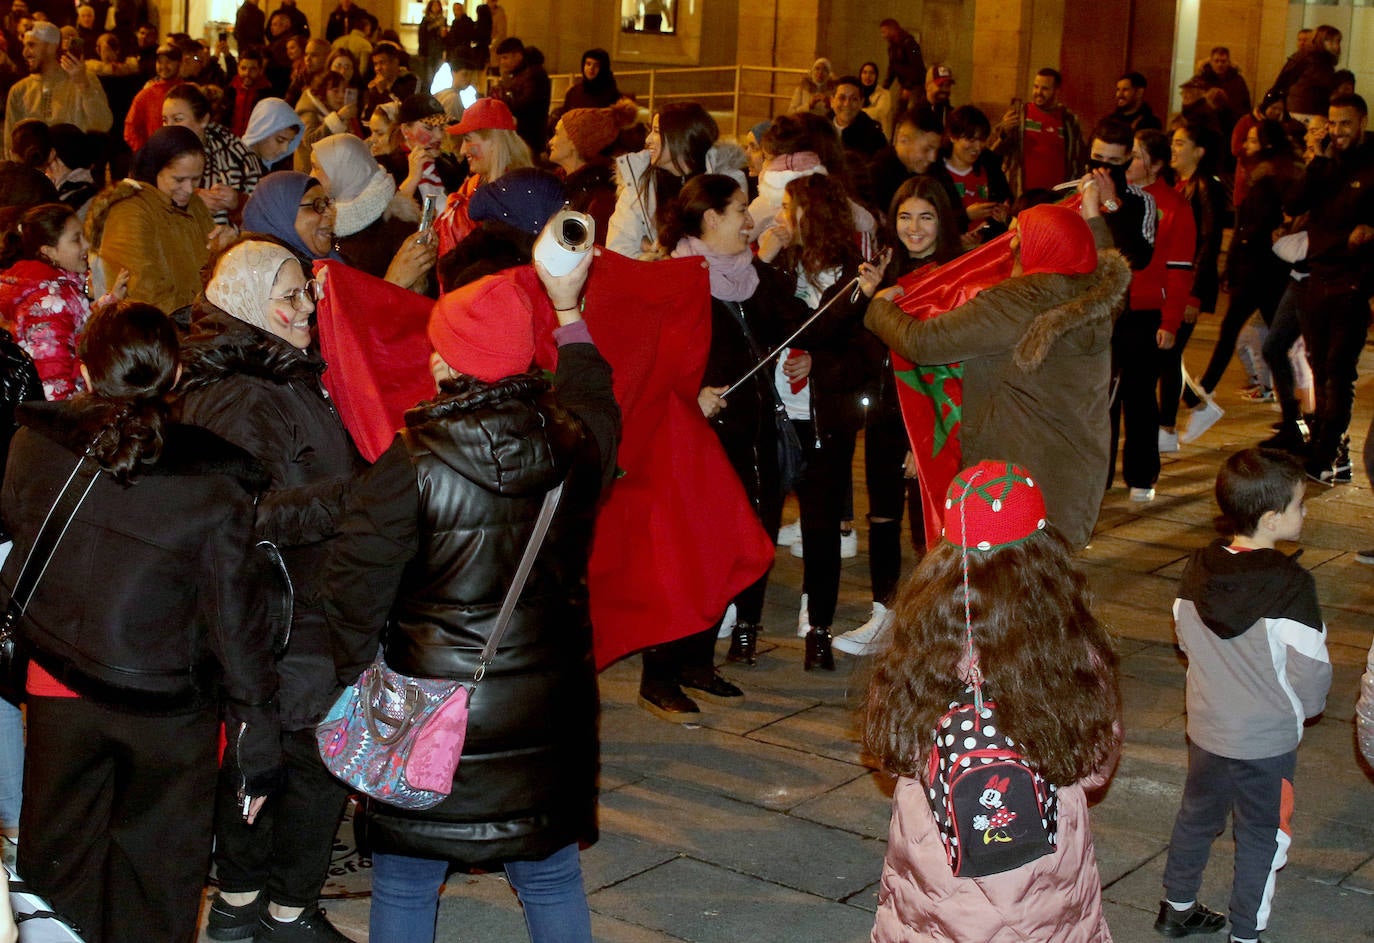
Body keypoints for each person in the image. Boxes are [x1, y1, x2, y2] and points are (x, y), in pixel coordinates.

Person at [320, 249, 619, 943]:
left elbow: (352, 592)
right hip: (546, 710)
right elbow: (596, 394)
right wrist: (570, 312)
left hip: (427, 714)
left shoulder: (411, 463)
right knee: (549, 878)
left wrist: (357, 678)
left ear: (453, 363)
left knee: (404, 880)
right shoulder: (577, 443)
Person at [2, 300, 280, 943]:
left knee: (57, 868)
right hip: (169, 706)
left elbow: (20, 534)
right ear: (176, 376)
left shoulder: (32, 442)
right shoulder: (216, 481)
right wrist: (256, 736)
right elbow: (236, 622)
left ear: (83, 368)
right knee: (158, 880)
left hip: (58, 685)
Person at [176, 239, 360, 943]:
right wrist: (358, 496)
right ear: (249, 303)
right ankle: (271, 912)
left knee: (286, 758)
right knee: (304, 760)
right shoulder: (248, 393)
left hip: (299, 604)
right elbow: (246, 517)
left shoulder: (273, 372)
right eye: (290, 294)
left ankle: (255, 907)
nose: (306, 306)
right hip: (282, 613)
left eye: (306, 290)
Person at [863, 459, 1121, 942]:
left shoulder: (920, 641)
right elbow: (1095, 766)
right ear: (1043, 551)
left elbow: (892, 744)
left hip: (937, 861)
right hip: (1045, 871)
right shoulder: (1069, 647)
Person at [865, 202, 1130, 550]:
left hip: (1014, 482)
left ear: (1042, 246)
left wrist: (880, 308)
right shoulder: (1095, 299)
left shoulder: (1019, 302)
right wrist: (1094, 212)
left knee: (1004, 586)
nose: (1012, 244)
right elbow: (1098, 253)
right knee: (1045, 584)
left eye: (1020, 236)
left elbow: (924, 343)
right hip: (1073, 474)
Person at [635, 174, 804, 712]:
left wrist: (862, 295)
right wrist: (690, 394)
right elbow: (642, 362)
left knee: (728, 551)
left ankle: (697, 661)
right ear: (709, 218)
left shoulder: (752, 276)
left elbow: (801, 326)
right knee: (684, 558)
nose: (749, 220)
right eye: (739, 211)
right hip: (689, 441)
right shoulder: (673, 278)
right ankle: (658, 675)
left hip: (747, 442)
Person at [1157, 447, 1329, 943]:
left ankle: (1178, 906)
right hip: (1266, 740)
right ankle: (1247, 933)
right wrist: (1303, 711)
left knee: (1197, 816)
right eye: (1300, 505)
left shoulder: (1197, 567)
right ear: (1273, 519)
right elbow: (1311, 671)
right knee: (1262, 834)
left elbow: (1185, 633)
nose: (1305, 513)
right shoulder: (1292, 585)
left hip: (1208, 727)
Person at [756, 172, 885, 669]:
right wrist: (762, 257)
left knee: (822, 523)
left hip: (826, 417)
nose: (782, 220)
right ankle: (744, 620)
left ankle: (818, 624)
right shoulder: (780, 267)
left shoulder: (858, 274)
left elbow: (865, 354)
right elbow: (765, 321)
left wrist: (820, 362)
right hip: (777, 412)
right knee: (763, 514)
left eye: (790, 209)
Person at [833, 176, 963, 657]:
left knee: (929, 523)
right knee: (882, 515)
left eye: (925, 217)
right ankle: (884, 615)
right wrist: (865, 296)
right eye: (905, 217)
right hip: (885, 411)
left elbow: (946, 364)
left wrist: (923, 434)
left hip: (927, 415)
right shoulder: (887, 271)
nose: (914, 228)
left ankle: (940, 623)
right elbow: (864, 345)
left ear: (943, 221)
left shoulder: (954, 276)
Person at [87, 124, 221, 312]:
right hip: (151, 331)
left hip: (196, 323)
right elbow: (146, 296)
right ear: (155, 168)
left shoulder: (194, 205)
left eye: (196, 179)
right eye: (179, 179)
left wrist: (226, 249)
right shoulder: (129, 211)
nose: (189, 189)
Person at [0, 202, 125, 400]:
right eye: (76, 239)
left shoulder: (56, 289)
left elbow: (73, 327)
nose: (86, 245)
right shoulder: (48, 303)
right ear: (48, 251)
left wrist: (107, 305)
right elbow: (52, 381)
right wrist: (72, 423)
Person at [607, 101, 746, 258]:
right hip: (654, 280)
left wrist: (660, 250)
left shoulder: (726, 183)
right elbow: (618, 249)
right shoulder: (638, 182)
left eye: (656, 131)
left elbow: (728, 247)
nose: (648, 140)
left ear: (681, 138)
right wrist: (653, 259)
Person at [1165, 122, 1229, 445]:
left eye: (1180, 143)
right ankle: (1194, 406)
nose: (1173, 149)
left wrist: (1193, 294)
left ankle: (1172, 424)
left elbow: (1208, 241)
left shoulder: (1206, 187)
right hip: (1176, 282)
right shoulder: (1181, 185)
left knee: (1167, 350)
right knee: (1167, 351)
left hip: (1190, 284)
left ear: (1199, 151)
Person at [431, 97, 532, 260]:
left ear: (493, 141)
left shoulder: (521, 195)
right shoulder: (475, 183)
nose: (463, 150)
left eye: (468, 140)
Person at [4, 22, 113, 160]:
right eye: (24, 45)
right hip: (33, 178)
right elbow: (10, 146)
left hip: (74, 175)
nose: (24, 53)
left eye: (31, 45)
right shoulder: (19, 91)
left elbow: (103, 124)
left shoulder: (83, 78)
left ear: (51, 47)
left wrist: (83, 85)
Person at [161, 81, 262, 223]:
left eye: (177, 119)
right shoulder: (155, 155)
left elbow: (262, 210)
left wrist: (237, 202)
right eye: (165, 120)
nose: (168, 127)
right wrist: (192, 200)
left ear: (203, 120)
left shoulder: (236, 152)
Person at [989, 67, 1085, 198]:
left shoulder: (1069, 120)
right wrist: (1004, 132)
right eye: (1036, 87)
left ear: (1056, 91)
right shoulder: (1020, 114)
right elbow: (992, 152)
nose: (1038, 92)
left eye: (1045, 89)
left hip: (1056, 196)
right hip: (1021, 195)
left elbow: (1077, 159)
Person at [548, 102, 635, 244]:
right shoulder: (557, 182)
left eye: (557, 134)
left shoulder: (599, 197)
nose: (551, 141)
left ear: (574, 142)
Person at [489, 37, 550, 155]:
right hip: (521, 134)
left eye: (505, 58)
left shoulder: (533, 74)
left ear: (518, 55)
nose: (502, 62)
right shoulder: (520, 74)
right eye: (501, 58)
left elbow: (526, 104)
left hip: (528, 136)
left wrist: (501, 98)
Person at [1272, 24, 1341, 123]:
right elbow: (1326, 85)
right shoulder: (1319, 61)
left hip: (1296, 107)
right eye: (1329, 40)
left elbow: (1282, 79)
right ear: (1320, 40)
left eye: (1337, 41)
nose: (1335, 45)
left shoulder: (1303, 56)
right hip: (1307, 110)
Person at [879, 18, 925, 121]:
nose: (883, 36)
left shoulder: (910, 44)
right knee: (896, 113)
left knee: (911, 114)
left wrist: (908, 87)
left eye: (884, 32)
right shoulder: (892, 47)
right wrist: (885, 87)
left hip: (914, 86)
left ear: (892, 29)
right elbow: (892, 67)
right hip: (904, 85)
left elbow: (917, 67)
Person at [243, 95, 303, 172]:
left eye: (290, 142)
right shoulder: (233, 167)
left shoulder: (266, 167)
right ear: (261, 130)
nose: (284, 150)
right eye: (280, 140)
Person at [557, 48, 619, 114]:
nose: (591, 68)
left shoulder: (611, 94)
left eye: (596, 65)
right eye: (588, 64)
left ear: (603, 69)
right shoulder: (573, 92)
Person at [858, 60, 893, 139]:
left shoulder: (884, 94)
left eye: (871, 73)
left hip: (877, 133)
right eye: (865, 72)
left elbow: (879, 112)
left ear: (876, 76)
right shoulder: (856, 92)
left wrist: (857, 111)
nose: (868, 76)